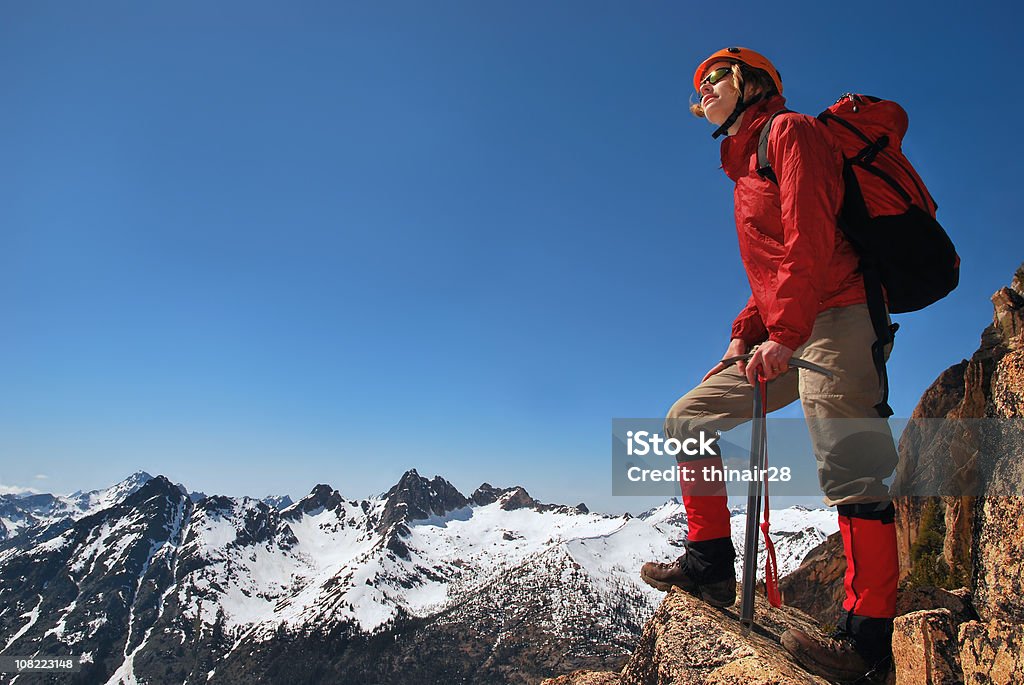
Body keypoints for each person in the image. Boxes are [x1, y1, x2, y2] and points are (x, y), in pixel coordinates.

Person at [639, 47, 900, 682]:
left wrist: (782, 332)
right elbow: (771, 271)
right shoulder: (744, 173)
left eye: (714, 78)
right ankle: (709, 563)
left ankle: (867, 642)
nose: (702, 91)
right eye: (698, 85)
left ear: (751, 82)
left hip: (838, 313)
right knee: (687, 418)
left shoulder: (792, 132)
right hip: (787, 323)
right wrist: (740, 337)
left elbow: (810, 234)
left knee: (848, 464)